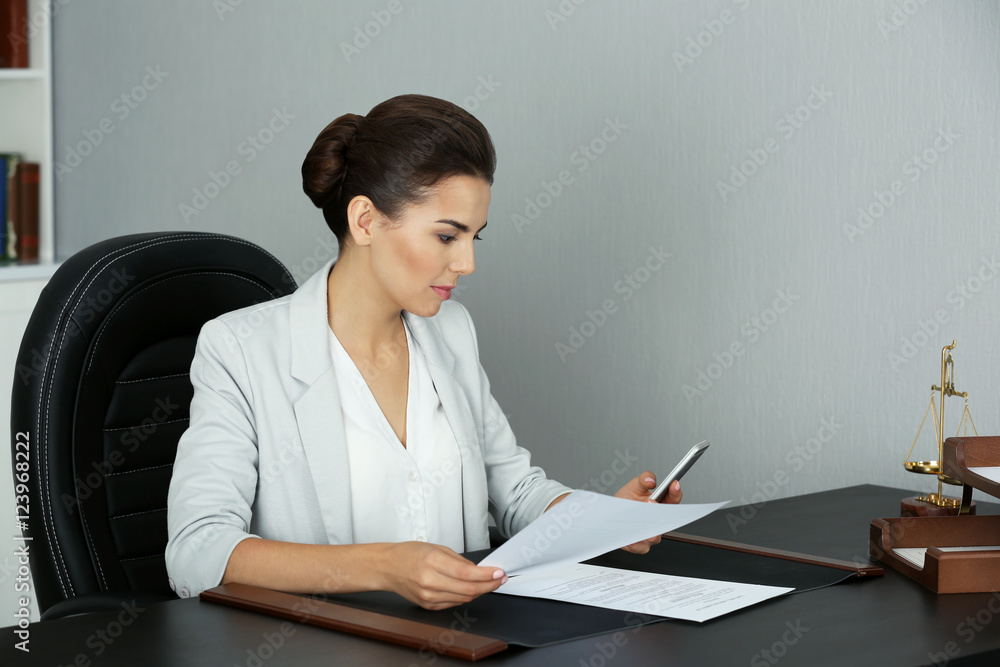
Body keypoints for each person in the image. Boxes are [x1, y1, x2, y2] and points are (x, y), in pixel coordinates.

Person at [165, 94, 682, 610]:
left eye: (475, 236)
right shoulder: (240, 350)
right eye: (447, 235)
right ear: (365, 221)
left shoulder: (450, 330)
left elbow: (515, 491)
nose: (468, 262)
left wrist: (599, 523)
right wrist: (385, 566)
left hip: (462, 641)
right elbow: (197, 553)